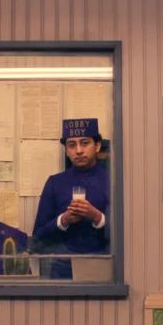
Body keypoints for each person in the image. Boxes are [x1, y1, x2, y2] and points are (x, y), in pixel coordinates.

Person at [32, 118, 110, 279]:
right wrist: (63, 220)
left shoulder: (113, 181)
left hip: (103, 268)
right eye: (72, 145)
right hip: (62, 272)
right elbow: (38, 238)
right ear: (66, 150)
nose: (79, 150)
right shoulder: (55, 183)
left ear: (97, 145)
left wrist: (97, 217)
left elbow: (128, 236)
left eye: (85, 143)